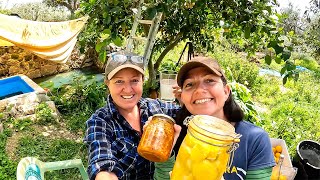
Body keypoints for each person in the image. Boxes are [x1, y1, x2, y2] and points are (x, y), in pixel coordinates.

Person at [169, 56, 275, 179]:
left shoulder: (255, 139)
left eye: (209, 80)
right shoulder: (177, 133)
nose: (199, 90)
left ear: (226, 92)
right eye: (189, 84)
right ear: (182, 97)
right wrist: (165, 157)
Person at [83, 51, 180, 180]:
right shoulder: (100, 122)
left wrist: (185, 97)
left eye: (134, 80)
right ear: (107, 83)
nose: (128, 89)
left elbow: (190, 114)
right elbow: (102, 165)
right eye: (119, 81)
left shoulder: (156, 109)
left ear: (142, 81)